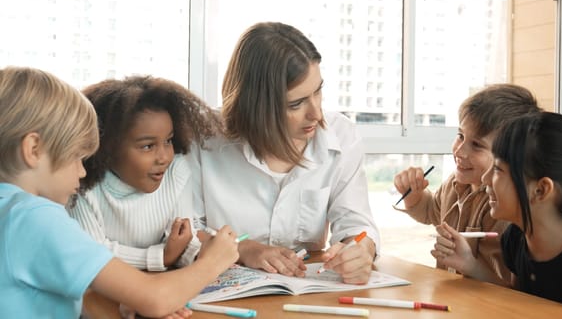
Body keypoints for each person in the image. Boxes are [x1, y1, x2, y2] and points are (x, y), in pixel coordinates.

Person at [0, 66, 239, 318]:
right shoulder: (34, 218)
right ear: (34, 149)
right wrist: (213, 262)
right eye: (76, 157)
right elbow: (156, 299)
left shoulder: (11, 212)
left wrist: (128, 299)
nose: (82, 172)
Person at [190, 21, 379, 284]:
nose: (316, 113)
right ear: (255, 106)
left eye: (318, 91)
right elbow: (183, 229)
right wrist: (242, 248)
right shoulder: (203, 138)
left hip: (303, 290)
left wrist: (360, 250)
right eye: (296, 103)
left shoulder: (341, 135)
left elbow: (356, 224)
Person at [434, 111, 562, 317]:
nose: (485, 178)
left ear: (541, 190)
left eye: (497, 169)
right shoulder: (516, 238)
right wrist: (469, 264)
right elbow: (518, 300)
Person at [68, 76, 221, 271]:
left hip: (158, 288)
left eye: (168, 141)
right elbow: (92, 253)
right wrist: (162, 257)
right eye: (148, 146)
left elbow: (182, 240)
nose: (164, 157)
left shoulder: (177, 170)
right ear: (108, 147)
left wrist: (203, 250)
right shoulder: (82, 184)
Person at [393, 84, 541, 285]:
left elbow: (513, 290)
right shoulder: (455, 183)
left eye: (477, 145)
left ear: (512, 156)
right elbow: (432, 212)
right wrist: (415, 197)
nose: (460, 151)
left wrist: (470, 264)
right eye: (460, 136)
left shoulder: (506, 208)